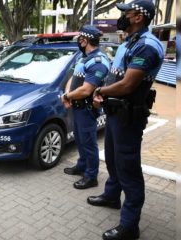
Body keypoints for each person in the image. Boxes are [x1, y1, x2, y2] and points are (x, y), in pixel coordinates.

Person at [90, 1, 164, 239]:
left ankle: (130, 226)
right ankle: (112, 196)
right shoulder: (128, 42)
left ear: (139, 17)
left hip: (129, 117)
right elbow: (115, 76)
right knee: (112, 159)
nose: (121, 17)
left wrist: (100, 92)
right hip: (115, 113)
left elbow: (128, 84)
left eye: (126, 13)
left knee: (128, 169)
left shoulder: (147, 46)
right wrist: (103, 91)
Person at [61, 26, 110, 190]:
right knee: (80, 140)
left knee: (89, 143)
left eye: (80, 38)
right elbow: (72, 78)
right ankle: (81, 166)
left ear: (86, 40)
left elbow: (86, 90)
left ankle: (91, 176)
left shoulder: (99, 61)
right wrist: (68, 93)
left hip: (87, 108)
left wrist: (67, 96)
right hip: (77, 106)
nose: (78, 41)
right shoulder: (83, 58)